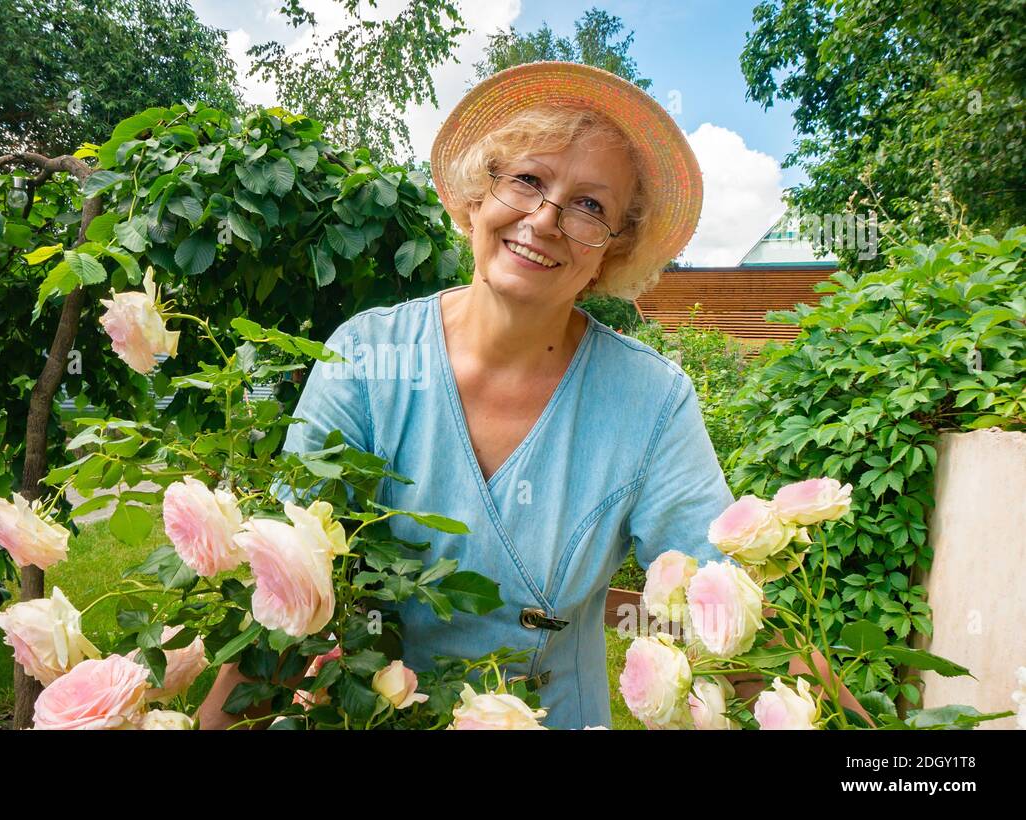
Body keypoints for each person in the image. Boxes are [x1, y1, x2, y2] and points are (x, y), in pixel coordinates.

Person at [198, 62, 844, 730]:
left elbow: (722, 595)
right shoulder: (366, 360)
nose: (545, 219)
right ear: (480, 194)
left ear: (612, 254)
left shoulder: (650, 400)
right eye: (528, 180)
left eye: (590, 206)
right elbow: (282, 592)